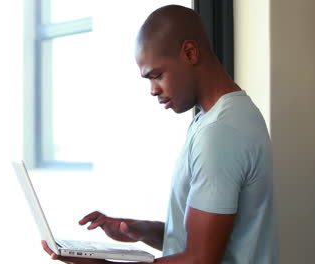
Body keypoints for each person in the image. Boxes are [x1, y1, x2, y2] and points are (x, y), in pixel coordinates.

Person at [42, 4, 279, 264]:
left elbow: (201, 259)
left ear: (189, 53)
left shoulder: (221, 133)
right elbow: (209, 239)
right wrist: (142, 230)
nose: (153, 90)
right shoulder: (221, 118)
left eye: (157, 75)